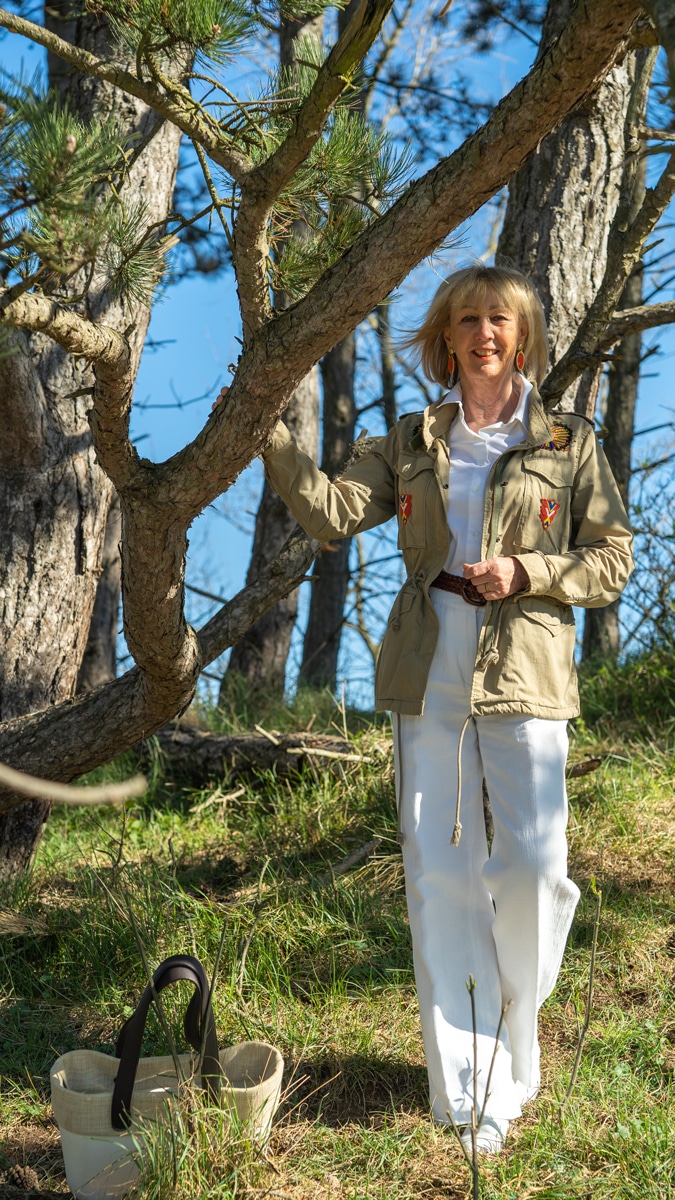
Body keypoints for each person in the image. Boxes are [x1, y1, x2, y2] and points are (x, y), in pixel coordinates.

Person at [217, 264, 633, 1153]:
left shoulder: (567, 440)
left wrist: (526, 571)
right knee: (438, 871)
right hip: (425, 661)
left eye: (500, 320)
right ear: (446, 335)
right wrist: (271, 436)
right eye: (467, 319)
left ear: (521, 337)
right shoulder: (410, 438)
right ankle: (472, 1091)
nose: (484, 333)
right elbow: (332, 515)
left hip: (525, 663)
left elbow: (611, 559)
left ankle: (513, 1030)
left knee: (532, 866)